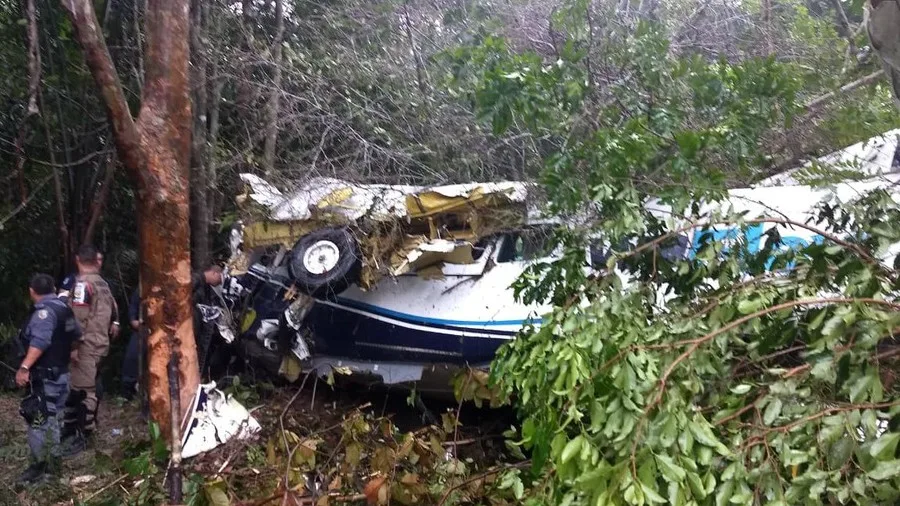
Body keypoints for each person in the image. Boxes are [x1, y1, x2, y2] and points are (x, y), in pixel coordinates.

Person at [15, 274, 80, 484]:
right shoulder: (65, 309)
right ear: (53, 288)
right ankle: (52, 467)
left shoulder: (44, 313)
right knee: (54, 419)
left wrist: (24, 368)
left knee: (39, 421)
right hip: (61, 375)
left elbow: (40, 342)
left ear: (32, 291)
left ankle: (42, 468)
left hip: (45, 377)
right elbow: (76, 337)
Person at [61, 244, 115, 455]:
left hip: (86, 345)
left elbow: (78, 319)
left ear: (78, 260)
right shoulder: (103, 284)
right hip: (100, 342)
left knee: (85, 391)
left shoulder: (83, 286)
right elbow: (112, 312)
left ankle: (84, 436)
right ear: (95, 261)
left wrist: (73, 346)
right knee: (80, 387)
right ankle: (71, 428)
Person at [120, 288, 141, 400]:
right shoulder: (141, 289)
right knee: (131, 360)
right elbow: (133, 309)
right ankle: (127, 396)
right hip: (141, 331)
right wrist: (134, 321)